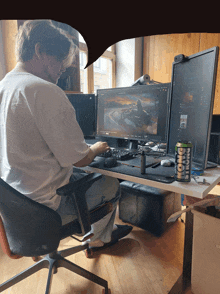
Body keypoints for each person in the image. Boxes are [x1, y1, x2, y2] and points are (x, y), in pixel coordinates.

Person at [0, 19, 132, 250]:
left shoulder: (4, 87)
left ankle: (99, 233)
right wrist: (97, 148)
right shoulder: (43, 90)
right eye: (60, 61)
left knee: (82, 173)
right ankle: (101, 237)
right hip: (50, 208)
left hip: (16, 205)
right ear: (39, 50)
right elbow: (79, 158)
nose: (62, 70)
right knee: (111, 182)